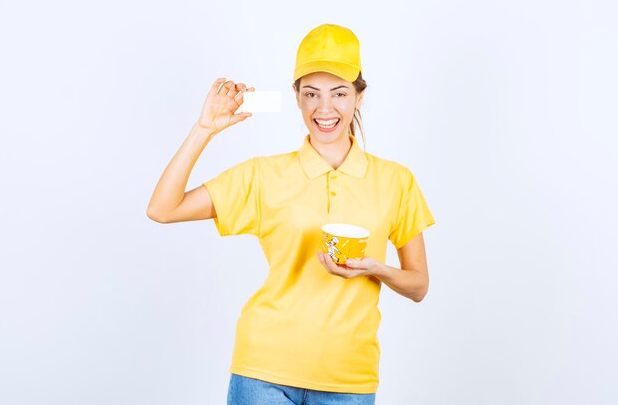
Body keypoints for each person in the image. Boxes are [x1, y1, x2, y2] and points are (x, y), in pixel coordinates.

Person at [147, 23, 435, 405]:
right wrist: (205, 129)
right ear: (297, 97)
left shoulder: (396, 181)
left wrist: (375, 268)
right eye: (311, 94)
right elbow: (163, 209)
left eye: (339, 93)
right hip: (263, 372)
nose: (325, 108)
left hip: (349, 379)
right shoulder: (265, 175)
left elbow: (419, 285)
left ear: (358, 97)